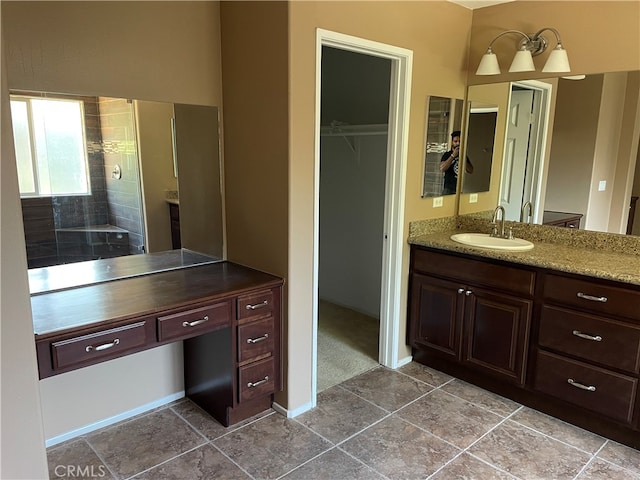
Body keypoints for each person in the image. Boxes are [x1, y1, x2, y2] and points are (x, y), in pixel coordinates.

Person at [440, 130, 473, 195]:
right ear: (452, 142)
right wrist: (453, 156)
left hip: (460, 188)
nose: (458, 143)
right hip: (448, 188)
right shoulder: (447, 154)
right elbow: (442, 168)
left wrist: (463, 158)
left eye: (460, 142)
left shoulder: (464, 155)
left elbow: (471, 170)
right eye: (455, 141)